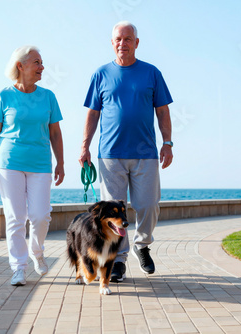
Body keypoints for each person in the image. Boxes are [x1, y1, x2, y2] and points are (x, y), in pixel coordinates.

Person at [79, 21, 173, 282]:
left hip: (146, 153)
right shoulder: (101, 74)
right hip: (110, 155)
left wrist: (167, 143)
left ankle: (142, 247)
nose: (123, 43)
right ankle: (118, 260)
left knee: (148, 205)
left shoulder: (152, 73)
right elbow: (92, 113)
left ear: (136, 42)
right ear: (112, 43)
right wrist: (85, 146)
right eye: (118, 39)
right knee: (113, 216)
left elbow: (163, 111)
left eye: (128, 39)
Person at [0, 46, 64, 286]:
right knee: (15, 217)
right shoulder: (4, 96)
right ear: (21, 66)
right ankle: (18, 267)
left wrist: (61, 163)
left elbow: (55, 133)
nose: (42, 67)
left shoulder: (48, 96)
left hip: (40, 163)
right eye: (37, 62)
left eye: (41, 62)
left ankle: (37, 252)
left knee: (40, 216)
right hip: (9, 162)